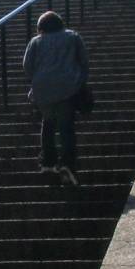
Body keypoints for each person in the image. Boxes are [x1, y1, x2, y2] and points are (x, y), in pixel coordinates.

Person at [23, 10, 89, 186]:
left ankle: (48, 162)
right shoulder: (72, 37)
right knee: (66, 126)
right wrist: (79, 81)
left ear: (40, 27)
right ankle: (67, 163)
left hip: (43, 89)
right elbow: (84, 62)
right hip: (67, 87)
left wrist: (38, 81)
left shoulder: (35, 42)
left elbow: (27, 66)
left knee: (48, 123)